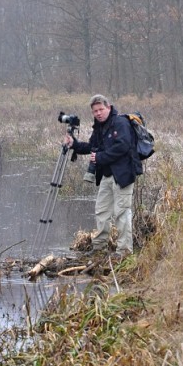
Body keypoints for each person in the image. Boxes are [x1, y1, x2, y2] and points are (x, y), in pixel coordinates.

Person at [64, 94, 142, 257]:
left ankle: (124, 252)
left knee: (121, 213)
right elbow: (92, 147)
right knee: (102, 211)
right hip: (107, 175)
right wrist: (75, 145)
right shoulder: (99, 127)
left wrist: (100, 157)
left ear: (108, 107)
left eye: (101, 109)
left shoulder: (120, 123)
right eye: (95, 111)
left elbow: (123, 146)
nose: (98, 113)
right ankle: (99, 248)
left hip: (123, 175)